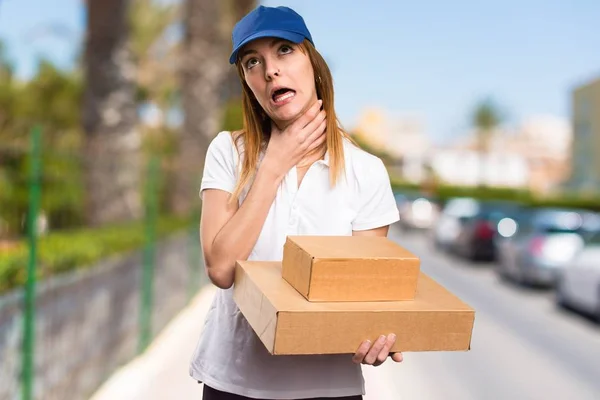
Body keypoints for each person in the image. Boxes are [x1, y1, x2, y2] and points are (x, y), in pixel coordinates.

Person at [189, 5, 403, 400]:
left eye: (284, 50)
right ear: (248, 83)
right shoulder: (227, 152)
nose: (270, 70)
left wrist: (378, 336)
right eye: (253, 62)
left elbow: (366, 293)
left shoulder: (366, 171)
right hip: (233, 383)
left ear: (313, 63)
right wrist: (273, 166)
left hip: (329, 387)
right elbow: (220, 267)